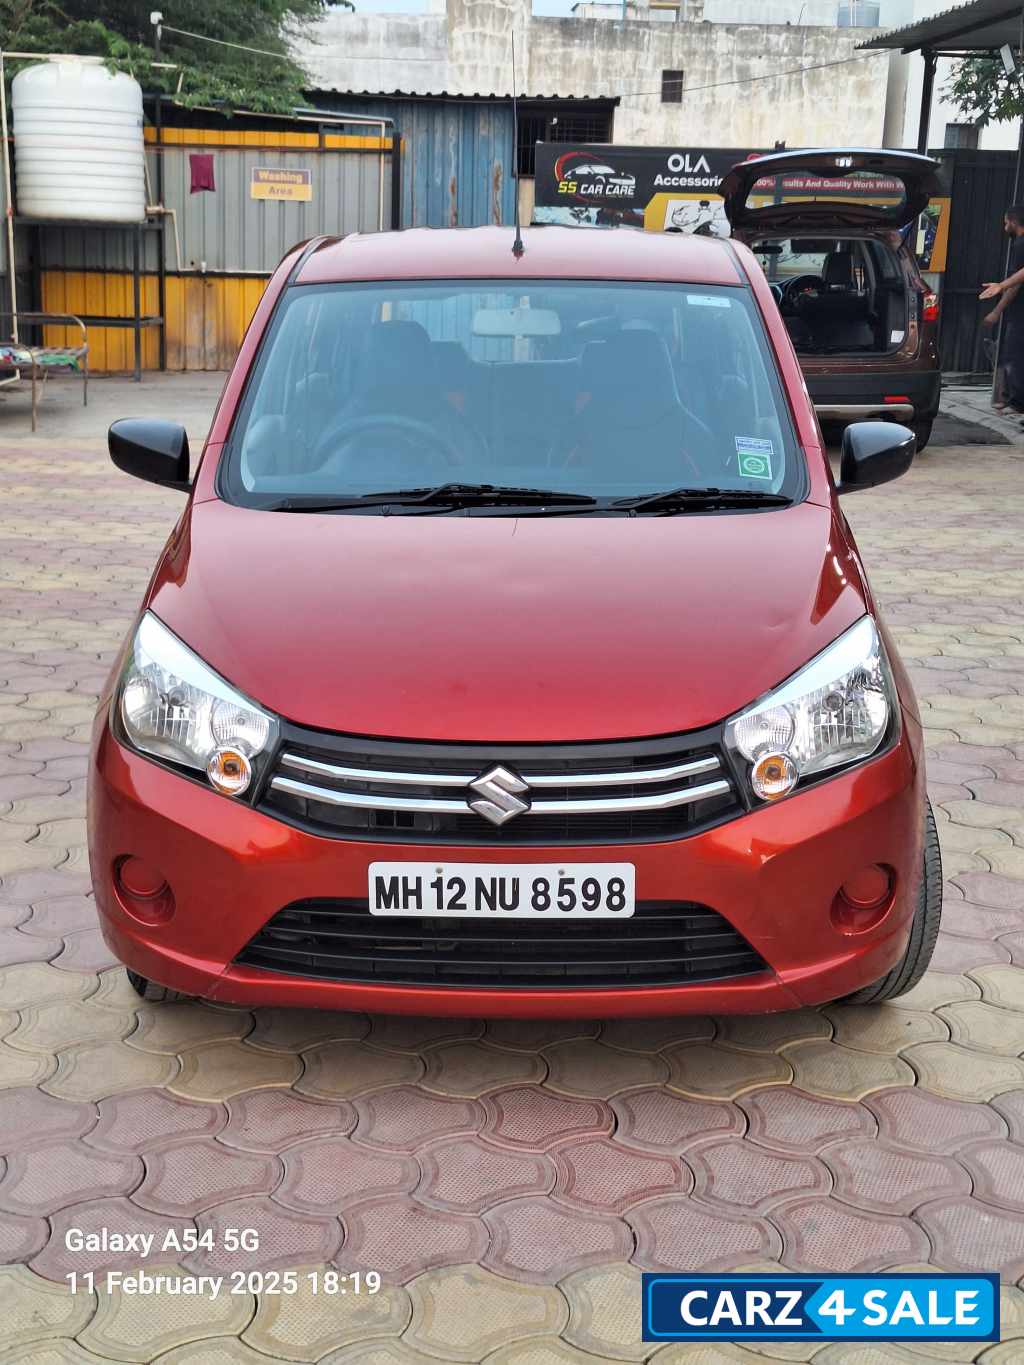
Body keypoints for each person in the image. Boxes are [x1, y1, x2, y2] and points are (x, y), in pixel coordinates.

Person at [981, 206, 1024, 411]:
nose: (1005, 226)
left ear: (1014, 223)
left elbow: (1017, 282)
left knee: (1014, 355)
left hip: (1020, 312)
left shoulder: (1020, 244)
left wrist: (997, 307)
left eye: (1006, 222)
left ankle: (1017, 402)